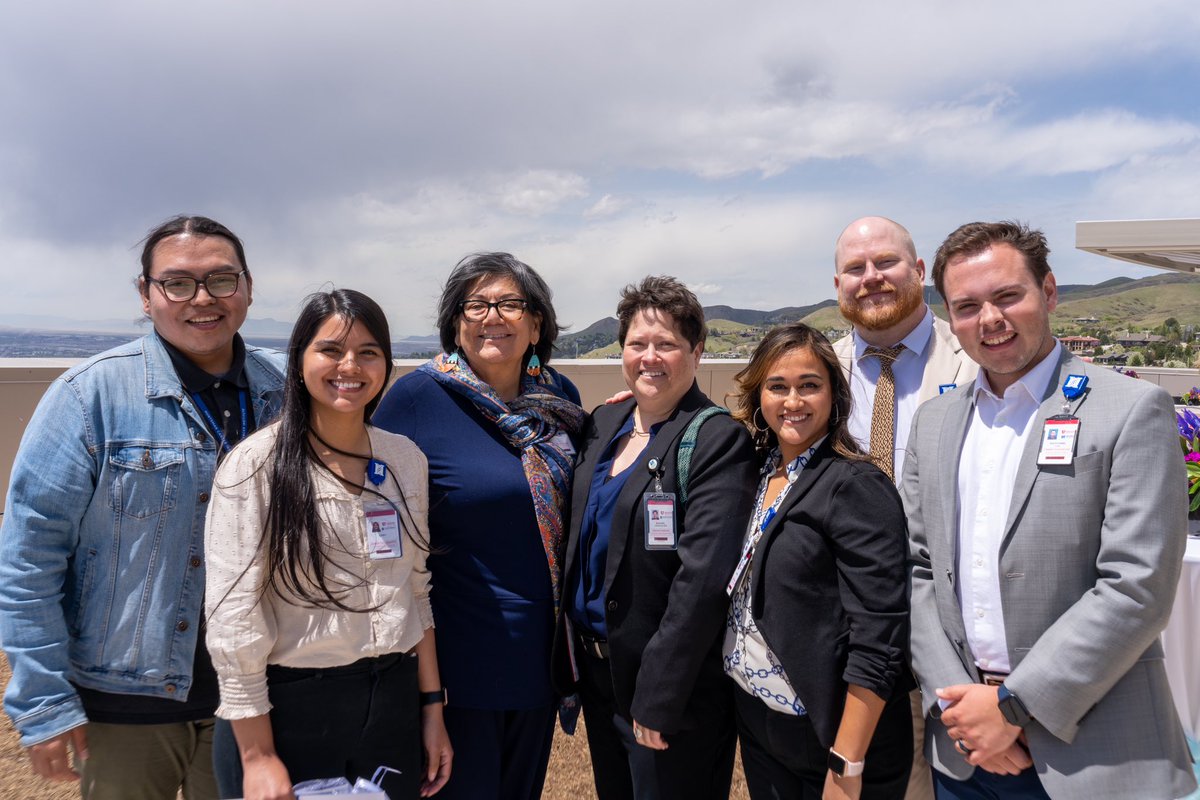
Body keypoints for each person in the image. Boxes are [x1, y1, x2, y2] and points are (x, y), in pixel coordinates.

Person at [904, 220, 1196, 799]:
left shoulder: (1131, 409)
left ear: (1050, 291)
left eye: (1008, 295)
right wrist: (962, 711)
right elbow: (917, 573)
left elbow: (1135, 588)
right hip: (965, 754)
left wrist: (1012, 709)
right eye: (967, 306)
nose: (989, 319)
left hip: (1094, 752)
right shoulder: (933, 424)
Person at [0, 215, 284, 800]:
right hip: (123, 699)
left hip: (251, 696)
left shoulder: (282, 393)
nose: (201, 299)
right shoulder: (89, 396)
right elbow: (30, 558)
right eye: (177, 283)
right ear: (147, 294)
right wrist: (44, 703)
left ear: (248, 288)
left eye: (221, 280)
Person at [205, 289, 452, 800]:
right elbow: (234, 620)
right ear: (298, 362)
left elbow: (417, 591)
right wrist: (258, 757)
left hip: (392, 703)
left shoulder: (404, 460)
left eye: (368, 352)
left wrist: (431, 708)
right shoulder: (255, 467)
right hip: (290, 712)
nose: (350, 366)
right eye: (331, 350)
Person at [373, 253, 584, 800]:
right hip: (456, 668)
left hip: (539, 664)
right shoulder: (417, 398)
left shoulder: (560, 401)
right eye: (477, 305)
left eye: (511, 304)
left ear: (537, 324)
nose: (494, 316)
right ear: (455, 324)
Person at [554, 275, 757, 800]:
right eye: (637, 344)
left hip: (669, 691)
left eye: (666, 344)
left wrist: (659, 694)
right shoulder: (605, 423)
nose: (650, 358)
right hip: (601, 677)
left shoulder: (716, 440)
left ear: (697, 351)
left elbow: (703, 582)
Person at [724, 323, 912, 799]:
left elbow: (880, 637)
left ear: (834, 395)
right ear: (758, 393)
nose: (793, 401)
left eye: (809, 385)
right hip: (761, 721)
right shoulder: (761, 466)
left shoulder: (856, 485)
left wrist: (846, 763)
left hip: (828, 733)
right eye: (777, 386)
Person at [831, 216, 976, 800]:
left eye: (886, 263)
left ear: (919, 271)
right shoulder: (817, 370)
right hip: (852, 624)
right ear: (837, 282)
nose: (872, 278)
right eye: (855, 268)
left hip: (952, 623)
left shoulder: (976, 360)